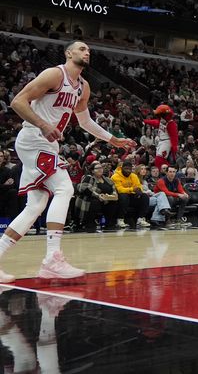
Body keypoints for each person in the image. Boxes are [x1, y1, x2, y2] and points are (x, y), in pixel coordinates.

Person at [2, 41, 136, 282]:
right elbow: (18, 101)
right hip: (34, 138)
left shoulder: (83, 87)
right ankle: (52, 258)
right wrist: (43, 125)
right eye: (82, 49)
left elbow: (85, 122)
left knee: (35, 206)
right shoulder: (55, 74)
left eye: (89, 51)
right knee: (65, 187)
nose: (87, 52)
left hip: (48, 144)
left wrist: (113, 139)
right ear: (68, 53)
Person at [144, 104, 178, 170]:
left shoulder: (171, 123)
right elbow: (156, 123)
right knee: (158, 161)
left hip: (166, 142)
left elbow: (174, 137)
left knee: (159, 159)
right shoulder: (162, 121)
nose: (159, 117)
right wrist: (145, 121)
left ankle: (171, 172)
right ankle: (163, 173)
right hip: (160, 141)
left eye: (161, 115)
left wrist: (174, 147)